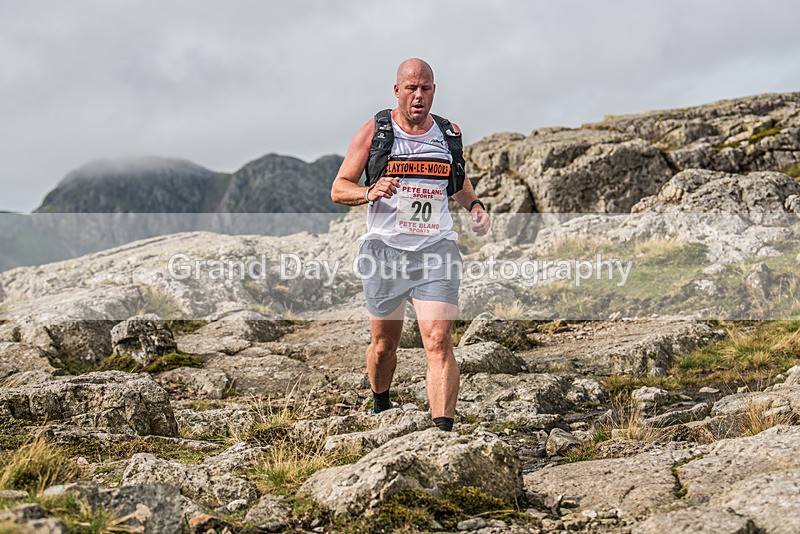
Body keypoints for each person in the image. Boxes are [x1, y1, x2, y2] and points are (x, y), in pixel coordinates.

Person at [331, 58, 490, 431]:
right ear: (397, 91)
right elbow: (339, 188)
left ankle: (442, 432)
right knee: (385, 346)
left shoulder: (449, 134)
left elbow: (457, 181)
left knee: (438, 338)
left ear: (434, 90)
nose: (419, 96)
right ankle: (381, 401)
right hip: (384, 252)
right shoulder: (376, 131)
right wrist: (370, 191)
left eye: (426, 88)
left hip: (436, 251)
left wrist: (475, 206)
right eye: (412, 88)